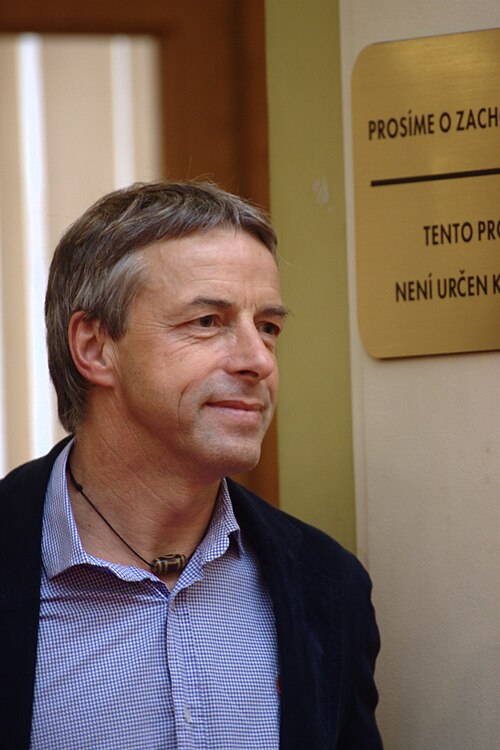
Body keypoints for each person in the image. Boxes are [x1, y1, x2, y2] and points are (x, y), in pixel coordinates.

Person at [0, 181, 383, 750]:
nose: (258, 360)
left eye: (268, 327)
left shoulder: (328, 585)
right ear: (95, 347)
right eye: (207, 321)